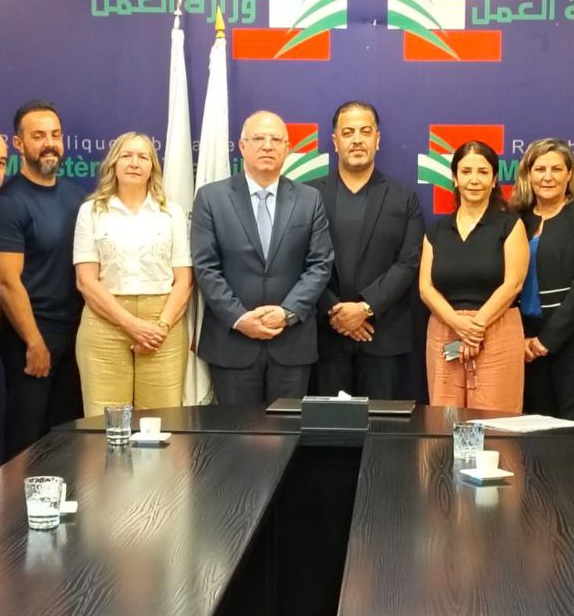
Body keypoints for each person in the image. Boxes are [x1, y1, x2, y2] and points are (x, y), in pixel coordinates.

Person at [190, 110, 333, 404]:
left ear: (287, 148)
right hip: (232, 343)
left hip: (291, 343)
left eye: (276, 140)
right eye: (258, 138)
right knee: (235, 431)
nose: (268, 146)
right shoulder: (211, 198)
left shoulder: (309, 199)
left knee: (288, 430)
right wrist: (240, 318)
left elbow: (320, 264)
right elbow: (206, 267)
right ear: (242, 146)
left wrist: (287, 313)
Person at [0, 101, 85, 459]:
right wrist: (33, 342)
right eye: (39, 136)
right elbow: (7, 282)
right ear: (18, 143)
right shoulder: (8, 203)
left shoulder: (77, 197)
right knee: (26, 440)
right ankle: (17, 500)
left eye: (55, 135)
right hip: (31, 337)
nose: (50, 144)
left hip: (76, 334)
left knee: (68, 439)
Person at [73, 132, 193, 414]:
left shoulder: (172, 213)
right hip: (105, 322)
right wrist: (131, 325)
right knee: (105, 424)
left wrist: (160, 327)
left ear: (153, 166)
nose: (134, 163)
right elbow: (86, 281)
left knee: (162, 422)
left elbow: (184, 281)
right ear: (113, 163)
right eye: (126, 156)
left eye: (143, 157)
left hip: (163, 325)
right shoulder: (91, 211)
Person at [311, 101, 423, 399]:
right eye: (348, 132)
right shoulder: (309, 195)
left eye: (365, 131)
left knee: (382, 425)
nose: (357, 140)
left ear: (377, 139)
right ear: (335, 141)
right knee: (329, 427)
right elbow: (300, 261)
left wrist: (365, 308)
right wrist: (335, 311)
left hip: (383, 336)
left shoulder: (404, 197)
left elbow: (408, 262)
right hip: (326, 337)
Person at [419, 140, 528, 411]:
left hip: (497, 329)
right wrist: (458, 324)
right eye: (466, 172)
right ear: (455, 178)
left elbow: (513, 284)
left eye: (483, 172)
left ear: (494, 180)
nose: (474, 180)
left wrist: (474, 327)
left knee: (496, 422)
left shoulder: (510, 224)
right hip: (445, 329)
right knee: (445, 418)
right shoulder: (437, 229)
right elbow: (426, 287)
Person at [509, 138, 574, 424]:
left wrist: (546, 340)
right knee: (533, 424)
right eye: (540, 169)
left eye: (556, 169)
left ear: (569, 174)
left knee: (571, 423)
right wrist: (525, 339)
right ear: (528, 175)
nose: (548, 177)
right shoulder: (516, 220)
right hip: (526, 338)